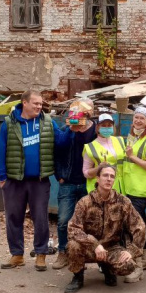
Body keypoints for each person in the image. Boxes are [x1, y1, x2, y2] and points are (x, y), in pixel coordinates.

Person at [0, 89, 67, 272]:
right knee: (13, 217)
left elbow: (61, 142)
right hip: (14, 180)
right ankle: (17, 255)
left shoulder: (48, 122)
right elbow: (1, 150)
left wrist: (73, 128)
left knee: (40, 218)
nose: (39, 106)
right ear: (24, 103)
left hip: (39, 180)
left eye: (41, 103)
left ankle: (41, 254)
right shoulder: (9, 123)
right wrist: (2, 177)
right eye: (35, 103)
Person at [64, 163, 146, 293]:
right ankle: (78, 277)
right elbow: (73, 229)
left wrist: (131, 251)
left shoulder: (122, 202)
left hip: (111, 248)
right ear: (98, 178)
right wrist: (95, 244)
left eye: (112, 176)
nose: (109, 179)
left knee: (128, 265)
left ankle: (108, 268)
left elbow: (139, 226)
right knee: (73, 246)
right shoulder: (85, 202)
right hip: (89, 248)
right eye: (105, 175)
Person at [51, 99, 98, 270]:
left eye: (85, 110)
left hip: (89, 183)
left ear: (90, 112)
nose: (82, 113)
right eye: (78, 110)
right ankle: (63, 252)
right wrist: (59, 176)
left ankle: (87, 254)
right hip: (68, 182)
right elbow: (57, 149)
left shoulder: (96, 130)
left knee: (90, 222)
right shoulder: (67, 129)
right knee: (64, 220)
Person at [121, 106, 146, 283]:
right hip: (129, 187)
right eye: (136, 117)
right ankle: (145, 258)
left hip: (141, 188)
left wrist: (132, 157)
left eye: (142, 118)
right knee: (140, 224)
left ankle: (137, 264)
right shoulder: (132, 136)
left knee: (133, 225)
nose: (138, 121)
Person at [82, 113, 125, 193]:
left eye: (109, 125)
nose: (107, 128)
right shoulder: (90, 147)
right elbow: (86, 173)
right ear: (98, 127)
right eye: (103, 125)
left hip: (120, 188)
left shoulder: (120, 141)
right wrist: (98, 168)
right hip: (100, 190)